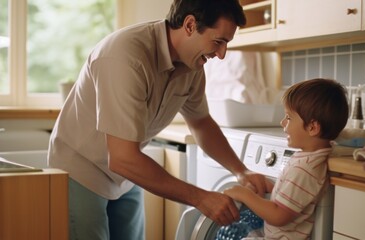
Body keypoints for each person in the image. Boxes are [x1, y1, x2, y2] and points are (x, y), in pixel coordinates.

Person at [47, 0, 269, 239]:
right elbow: (122, 158)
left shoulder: (192, 67)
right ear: (190, 25)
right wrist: (201, 198)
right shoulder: (125, 56)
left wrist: (241, 171)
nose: (222, 54)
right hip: (82, 171)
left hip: (125, 176)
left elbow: (201, 123)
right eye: (218, 42)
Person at [224, 78, 349, 240]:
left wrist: (245, 195)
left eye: (288, 117)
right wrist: (273, 188)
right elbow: (295, 197)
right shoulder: (310, 159)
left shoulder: (305, 169)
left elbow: (279, 216)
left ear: (312, 127)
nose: (282, 122)